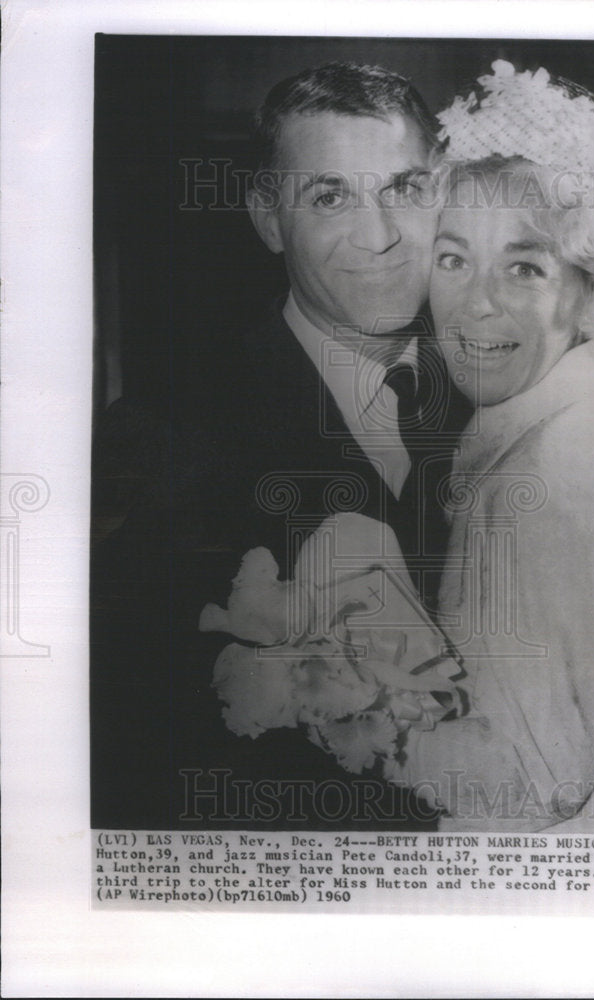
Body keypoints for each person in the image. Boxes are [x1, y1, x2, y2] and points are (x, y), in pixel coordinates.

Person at [91, 62, 467, 831]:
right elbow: (133, 753)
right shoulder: (166, 434)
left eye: (404, 188)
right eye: (330, 197)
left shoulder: (509, 395)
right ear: (267, 218)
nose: (382, 236)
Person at [388, 61, 594, 833]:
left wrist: (360, 713)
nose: (475, 302)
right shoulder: (575, 421)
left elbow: (521, 798)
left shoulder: (549, 478)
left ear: (592, 290)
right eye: (452, 258)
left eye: (523, 266)